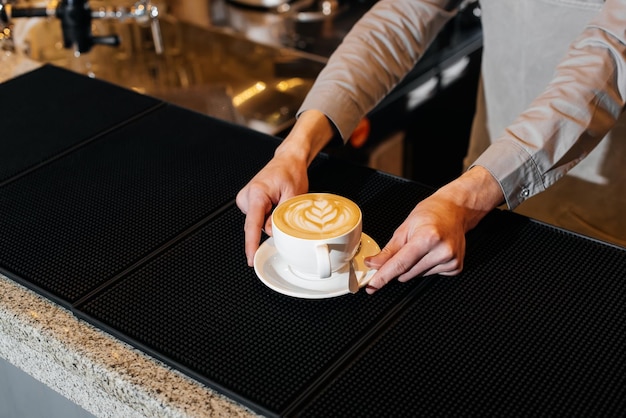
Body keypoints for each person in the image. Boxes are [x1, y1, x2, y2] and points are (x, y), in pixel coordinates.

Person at [236, 0, 626, 294]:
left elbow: (610, 52)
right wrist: (294, 148)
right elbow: (403, 16)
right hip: (482, 186)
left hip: (597, 212)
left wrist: (467, 198)